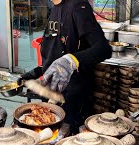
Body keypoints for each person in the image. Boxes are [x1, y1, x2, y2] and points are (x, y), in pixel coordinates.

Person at [17, 0, 112, 133]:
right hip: (52, 93)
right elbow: (54, 55)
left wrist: (71, 60)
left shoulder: (78, 7)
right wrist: (34, 73)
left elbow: (103, 49)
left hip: (73, 99)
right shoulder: (54, 8)